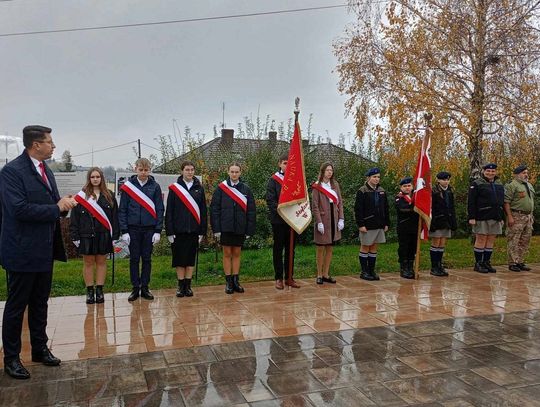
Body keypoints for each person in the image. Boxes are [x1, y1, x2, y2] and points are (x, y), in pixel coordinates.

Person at [0, 125, 77, 379]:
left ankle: (39, 348)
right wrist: (56, 208)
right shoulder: (12, 172)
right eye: (49, 142)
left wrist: (63, 206)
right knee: (16, 306)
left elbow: (50, 204)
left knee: (40, 303)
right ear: (35, 145)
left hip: (44, 249)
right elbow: (19, 210)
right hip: (21, 251)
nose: (53, 146)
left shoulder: (46, 171)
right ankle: (11, 358)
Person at [69, 167, 120, 304]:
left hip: (103, 235)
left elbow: (115, 217)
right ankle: (90, 291)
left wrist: (115, 236)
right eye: (93, 177)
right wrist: (75, 236)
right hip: (86, 235)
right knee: (88, 263)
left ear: (101, 178)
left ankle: (100, 290)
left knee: (102, 262)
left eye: (98, 177)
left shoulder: (109, 195)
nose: (95, 179)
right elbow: (75, 218)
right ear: (89, 179)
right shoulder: (81, 196)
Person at [119, 158, 164, 301]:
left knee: (146, 259)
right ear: (135, 169)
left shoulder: (155, 186)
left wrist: (158, 230)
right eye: (141, 170)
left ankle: (145, 287)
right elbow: (123, 210)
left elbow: (159, 209)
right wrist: (124, 230)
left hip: (149, 229)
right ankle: (135, 288)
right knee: (133, 259)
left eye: (146, 170)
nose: (143, 173)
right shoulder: (128, 187)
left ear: (149, 170)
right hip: (132, 229)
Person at [210, 163, 256, 294]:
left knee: (236, 253)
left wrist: (249, 229)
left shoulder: (246, 189)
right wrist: (216, 229)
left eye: (237, 172)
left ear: (240, 173)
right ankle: (228, 282)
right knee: (227, 254)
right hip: (225, 227)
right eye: (232, 171)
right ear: (228, 172)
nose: (234, 174)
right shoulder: (221, 189)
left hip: (240, 227)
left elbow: (251, 211)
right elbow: (215, 210)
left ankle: (236, 281)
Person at [165, 161, 208, 297]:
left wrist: (202, 231)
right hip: (178, 231)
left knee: (190, 259)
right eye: (187, 169)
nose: (189, 172)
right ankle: (180, 285)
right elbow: (169, 211)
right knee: (179, 260)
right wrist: (170, 231)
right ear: (182, 171)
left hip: (194, 231)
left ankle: (188, 286)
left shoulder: (199, 189)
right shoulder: (174, 189)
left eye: (192, 169)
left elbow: (203, 211)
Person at [265, 154, 299, 289]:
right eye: (285, 163)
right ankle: (278, 277)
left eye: (289, 163)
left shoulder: (296, 180)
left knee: (291, 249)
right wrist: (283, 212)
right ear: (279, 164)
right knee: (278, 249)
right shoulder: (273, 180)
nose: (287, 165)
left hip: (292, 220)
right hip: (279, 220)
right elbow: (270, 200)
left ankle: (289, 277)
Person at [467, 163, 505, 273]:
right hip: (482, 216)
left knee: (491, 240)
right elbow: (471, 201)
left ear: (496, 172)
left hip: (495, 216)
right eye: (488, 171)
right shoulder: (477, 183)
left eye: (493, 171)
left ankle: (486, 262)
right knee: (481, 239)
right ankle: (478, 263)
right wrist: (472, 217)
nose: (490, 173)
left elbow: (501, 202)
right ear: (483, 171)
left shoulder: (499, 184)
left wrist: (502, 217)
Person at [311, 162, 344, 284]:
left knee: (330, 247)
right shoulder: (317, 186)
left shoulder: (335, 185)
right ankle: (319, 274)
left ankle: (326, 274)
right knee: (320, 247)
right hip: (323, 220)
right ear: (323, 171)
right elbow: (315, 206)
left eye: (331, 170)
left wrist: (341, 218)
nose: (330, 172)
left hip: (334, 218)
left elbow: (340, 202)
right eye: (327, 170)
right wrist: (319, 222)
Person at [354, 167, 390, 281]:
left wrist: (386, 223)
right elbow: (358, 209)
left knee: (374, 247)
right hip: (367, 224)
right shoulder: (362, 191)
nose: (376, 179)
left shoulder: (382, 191)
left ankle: (371, 270)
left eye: (378, 177)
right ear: (368, 177)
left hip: (379, 224)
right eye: (374, 177)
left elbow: (386, 208)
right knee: (365, 246)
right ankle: (364, 271)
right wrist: (361, 224)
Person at [504, 164, 535, 272]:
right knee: (514, 240)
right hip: (516, 216)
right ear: (517, 174)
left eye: (526, 173)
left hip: (528, 216)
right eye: (523, 173)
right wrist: (510, 217)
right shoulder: (512, 185)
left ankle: (520, 261)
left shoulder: (529, 185)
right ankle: (513, 262)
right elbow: (506, 202)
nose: (526, 175)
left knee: (525, 240)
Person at [429, 171, 457, 277]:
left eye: (447, 180)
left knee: (442, 243)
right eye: (444, 180)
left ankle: (439, 265)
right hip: (437, 221)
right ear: (438, 180)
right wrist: (432, 222)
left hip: (447, 220)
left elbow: (451, 207)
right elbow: (431, 208)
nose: (446, 182)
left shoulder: (449, 191)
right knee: (436, 242)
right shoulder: (434, 191)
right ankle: (434, 266)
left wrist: (453, 222)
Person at [395, 177, 418, 279]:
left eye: (409, 186)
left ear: (412, 186)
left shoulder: (416, 196)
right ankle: (403, 267)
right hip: (404, 227)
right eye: (405, 186)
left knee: (413, 248)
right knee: (404, 247)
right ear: (401, 187)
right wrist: (415, 207)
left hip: (415, 226)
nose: (407, 188)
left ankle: (410, 266)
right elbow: (403, 208)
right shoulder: (399, 197)